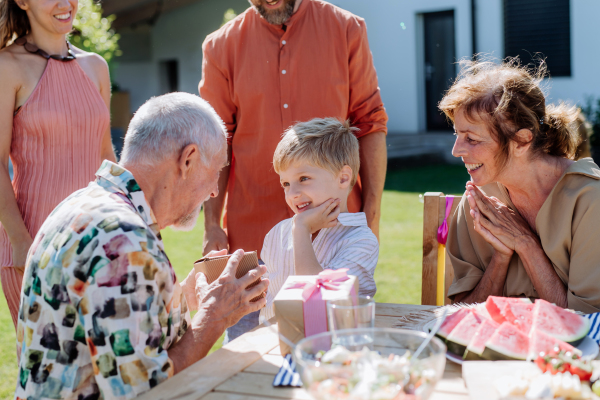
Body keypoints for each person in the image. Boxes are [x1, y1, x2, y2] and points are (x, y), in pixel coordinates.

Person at [14, 93, 269, 399]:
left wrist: (185, 300)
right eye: (216, 172)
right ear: (187, 160)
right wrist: (213, 319)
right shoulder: (124, 242)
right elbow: (144, 392)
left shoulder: (81, 205)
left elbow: (116, 332)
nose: (215, 191)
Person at [199, 0, 387, 342]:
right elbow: (216, 141)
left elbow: (370, 123)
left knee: (333, 356)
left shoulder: (347, 29)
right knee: (249, 375)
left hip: (335, 236)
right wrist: (212, 223)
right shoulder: (220, 45)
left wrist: (371, 213)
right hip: (253, 243)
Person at [440, 59, 600, 313]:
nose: (456, 150)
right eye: (457, 135)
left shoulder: (590, 200)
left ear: (522, 140)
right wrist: (501, 258)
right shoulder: (478, 200)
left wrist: (526, 244)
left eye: (471, 138)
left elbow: (586, 324)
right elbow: (463, 314)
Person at [0, 0, 116, 329]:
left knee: (101, 365)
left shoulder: (96, 66)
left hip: (96, 240)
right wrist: (22, 243)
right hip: (34, 243)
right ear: (22, 2)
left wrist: (135, 220)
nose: (66, 4)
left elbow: (106, 155)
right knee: (46, 370)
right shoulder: (7, 66)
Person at [259, 118, 378, 323]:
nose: (293, 193)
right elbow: (268, 300)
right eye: (286, 183)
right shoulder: (277, 234)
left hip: (329, 349)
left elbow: (318, 306)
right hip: (273, 345)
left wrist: (302, 229)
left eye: (303, 178)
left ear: (343, 178)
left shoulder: (360, 240)